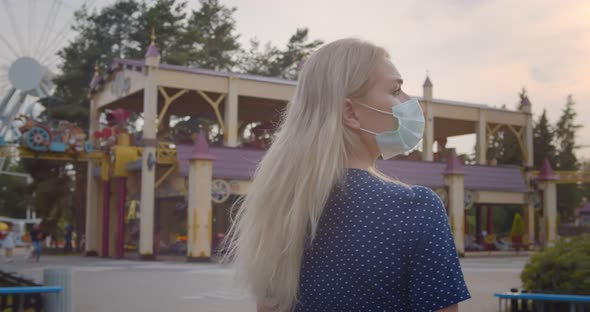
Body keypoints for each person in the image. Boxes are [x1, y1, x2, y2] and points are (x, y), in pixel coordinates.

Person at [223, 38, 471, 312]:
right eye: (396, 90)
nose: (409, 101)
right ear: (350, 112)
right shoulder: (416, 208)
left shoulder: (280, 207)